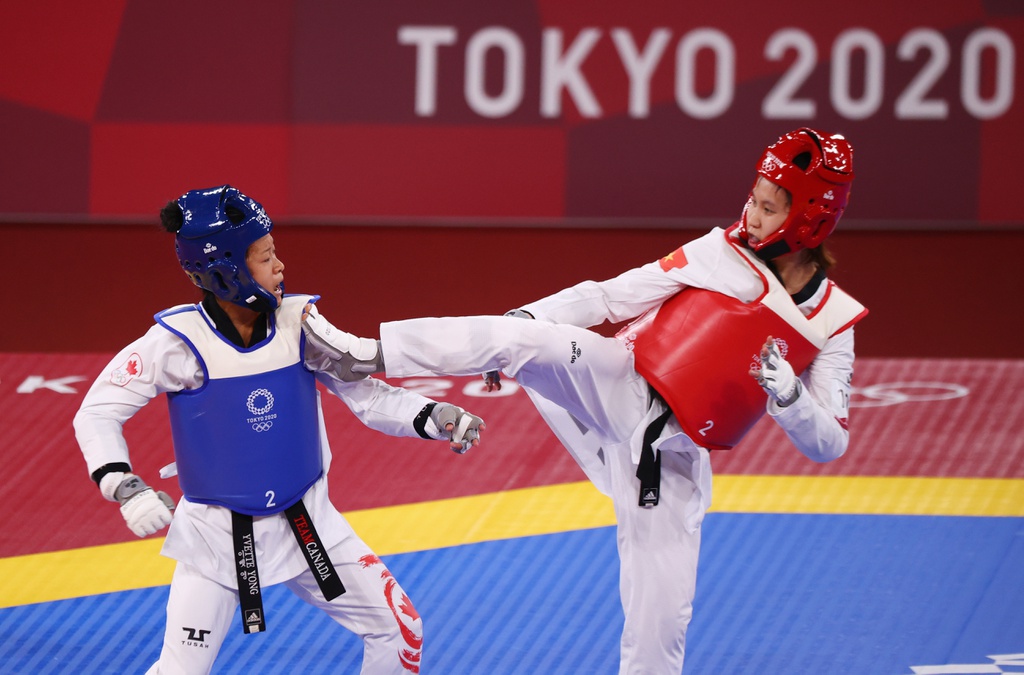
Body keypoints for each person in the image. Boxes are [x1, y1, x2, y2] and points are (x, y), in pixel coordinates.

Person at [320, 128, 867, 673]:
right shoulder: (719, 252)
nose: (750, 215)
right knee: (522, 339)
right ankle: (366, 353)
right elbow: (610, 295)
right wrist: (526, 316)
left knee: (660, 625)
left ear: (807, 221)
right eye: (752, 198)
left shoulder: (831, 323)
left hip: (670, 459)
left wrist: (790, 396)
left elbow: (829, 445)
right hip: (616, 383)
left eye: (769, 208)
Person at [73, 185, 485, 675]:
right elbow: (97, 412)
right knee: (180, 670)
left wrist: (434, 416)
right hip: (216, 535)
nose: (281, 266)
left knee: (399, 631)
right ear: (226, 269)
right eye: (266, 257)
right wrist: (124, 485)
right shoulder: (174, 344)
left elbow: (367, 394)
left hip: (308, 524)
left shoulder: (300, 323)